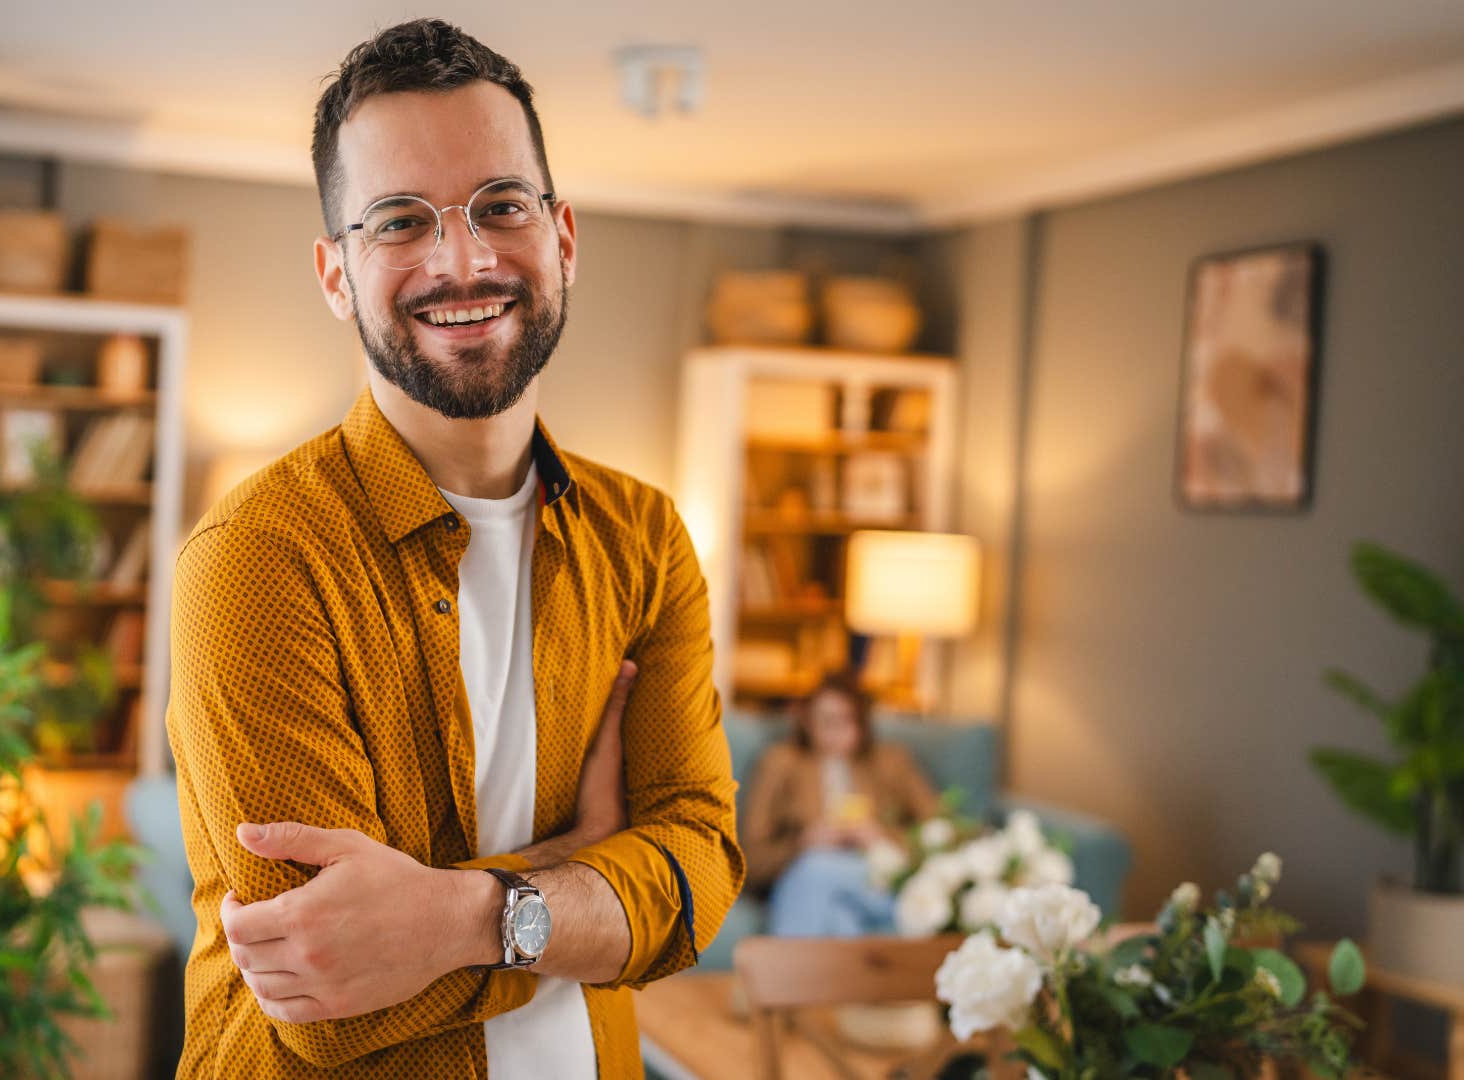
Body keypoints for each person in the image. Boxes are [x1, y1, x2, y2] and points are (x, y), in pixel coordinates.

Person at [164, 19, 744, 1079]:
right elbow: (327, 996)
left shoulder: (648, 539)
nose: (463, 258)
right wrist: (580, 869)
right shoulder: (255, 559)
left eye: (500, 205)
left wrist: (449, 916)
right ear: (337, 274)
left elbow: (696, 879)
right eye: (398, 220)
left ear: (562, 236)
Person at [739, 672, 942, 937]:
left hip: (875, 874)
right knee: (837, 914)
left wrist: (881, 837)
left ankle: (784, 973)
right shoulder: (781, 763)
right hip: (804, 871)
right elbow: (751, 858)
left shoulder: (891, 761)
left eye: (844, 720)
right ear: (807, 722)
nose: (834, 731)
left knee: (819, 879)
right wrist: (803, 844)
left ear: (861, 722)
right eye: (824, 720)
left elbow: (941, 831)